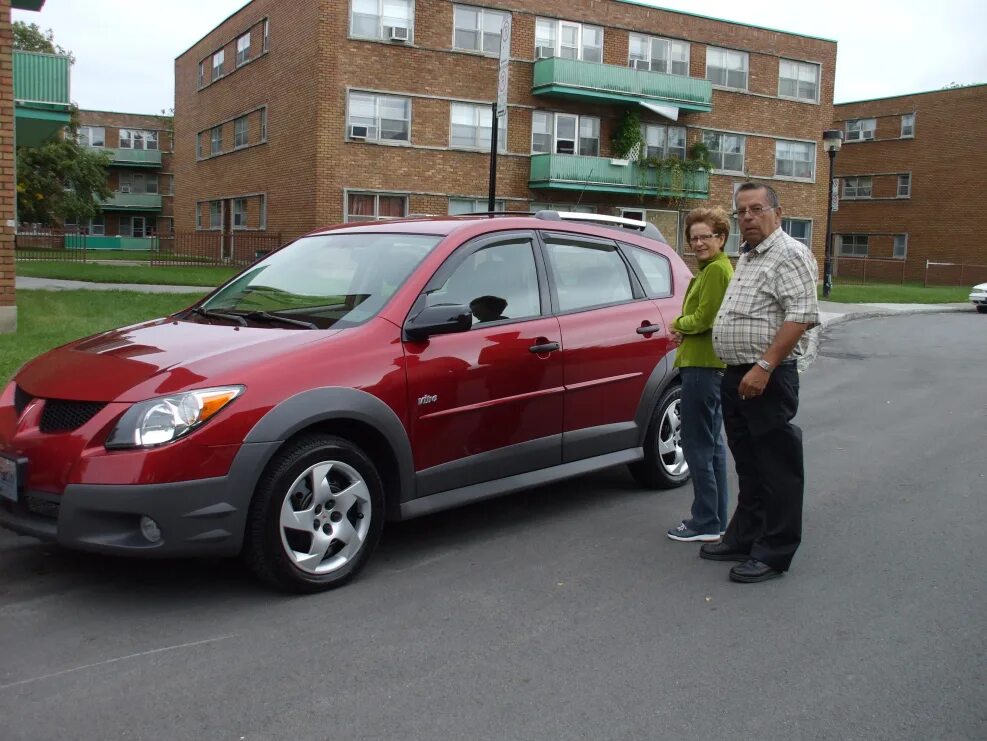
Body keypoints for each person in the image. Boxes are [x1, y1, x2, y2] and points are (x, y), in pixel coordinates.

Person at [702, 182, 819, 583]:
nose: (748, 217)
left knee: (777, 467)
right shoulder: (749, 256)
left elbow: (801, 315)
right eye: (742, 211)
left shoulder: (790, 254)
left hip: (766, 376)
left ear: (777, 213)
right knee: (749, 466)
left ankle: (774, 551)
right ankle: (745, 536)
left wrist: (765, 367)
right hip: (737, 375)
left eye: (756, 209)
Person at [666, 207, 734, 543]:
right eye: (693, 238)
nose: (698, 243)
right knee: (711, 445)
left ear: (721, 237)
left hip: (703, 369)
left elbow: (705, 318)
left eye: (706, 236)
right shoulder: (711, 269)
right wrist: (686, 329)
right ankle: (717, 519)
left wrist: (677, 326)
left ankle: (705, 521)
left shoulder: (717, 272)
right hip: (705, 366)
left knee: (697, 444)